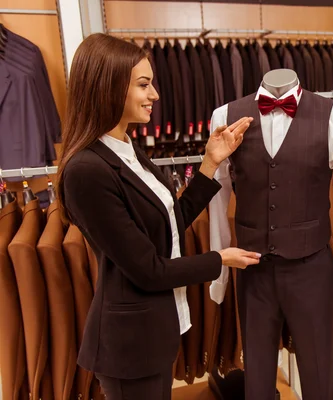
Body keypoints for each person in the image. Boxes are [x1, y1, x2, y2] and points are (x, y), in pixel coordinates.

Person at [56, 33, 261, 400]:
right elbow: (148, 269)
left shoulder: (125, 149)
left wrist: (210, 162)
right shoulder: (87, 170)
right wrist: (220, 259)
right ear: (109, 85)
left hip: (153, 331)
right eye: (144, 85)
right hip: (129, 348)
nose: (155, 95)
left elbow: (167, 227)